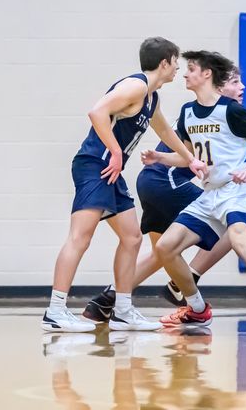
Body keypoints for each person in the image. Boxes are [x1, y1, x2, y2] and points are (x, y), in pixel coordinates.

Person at [43, 37, 207, 333]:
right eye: (176, 63)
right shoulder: (136, 86)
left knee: (132, 238)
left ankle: (123, 311)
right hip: (96, 164)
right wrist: (116, 152)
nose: (177, 70)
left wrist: (189, 159)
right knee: (81, 237)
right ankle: (55, 310)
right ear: (164, 62)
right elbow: (97, 113)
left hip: (110, 171)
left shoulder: (151, 96)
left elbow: (165, 131)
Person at [81, 64, 246, 323]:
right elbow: (194, 159)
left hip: (152, 181)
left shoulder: (215, 114)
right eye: (235, 82)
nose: (242, 87)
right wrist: (236, 192)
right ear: (217, 85)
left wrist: (241, 185)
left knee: (164, 253)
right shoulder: (208, 113)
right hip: (164, 179)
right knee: (232, 223)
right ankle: (187, 280)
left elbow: (213, 163)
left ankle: (107, 299)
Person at [151, 50, 246, 332]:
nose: (185, 74)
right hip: (209, 195)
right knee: (165, 247)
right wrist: (161, 158)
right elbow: (190, 157)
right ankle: (197, 309)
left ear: (207, 74)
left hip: (236, 191)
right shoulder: (187, 112)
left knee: (240, 242)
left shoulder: (231, 110)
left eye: (192, 69)